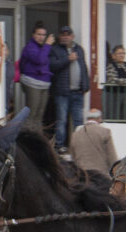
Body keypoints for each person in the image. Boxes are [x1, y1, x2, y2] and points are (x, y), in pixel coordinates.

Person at [49, 26, 89, 154]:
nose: (65, 37)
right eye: (63, 34)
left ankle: (79, 146)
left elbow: (84, 68)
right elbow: (52, 66)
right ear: (60, 37)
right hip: (62, 92)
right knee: (62, 120)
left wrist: (86, 85)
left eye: (68, 34)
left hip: (78, 92)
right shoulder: (55, 49)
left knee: (78, 121)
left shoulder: (79, 49)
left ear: (72, 36)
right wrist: (68, 59)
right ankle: (60, 146)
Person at [19, 24, 55, 128]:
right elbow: (40, 60)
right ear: (33, 34)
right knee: (32, 114)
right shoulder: (30, 47)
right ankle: (26, 139)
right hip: (32, 83)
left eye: (44, 35)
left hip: (44, 84)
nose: (42, 37)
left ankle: (36, 139)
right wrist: (48, 45)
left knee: (40, 115)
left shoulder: (43, 48)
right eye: (39, 34)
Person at [68, 109, 118, 175]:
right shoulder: (105, 132)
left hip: (82, 175)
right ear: (99, 118)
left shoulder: (75, 135)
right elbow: (112, 158)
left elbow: (73, 157)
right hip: (101, 176)